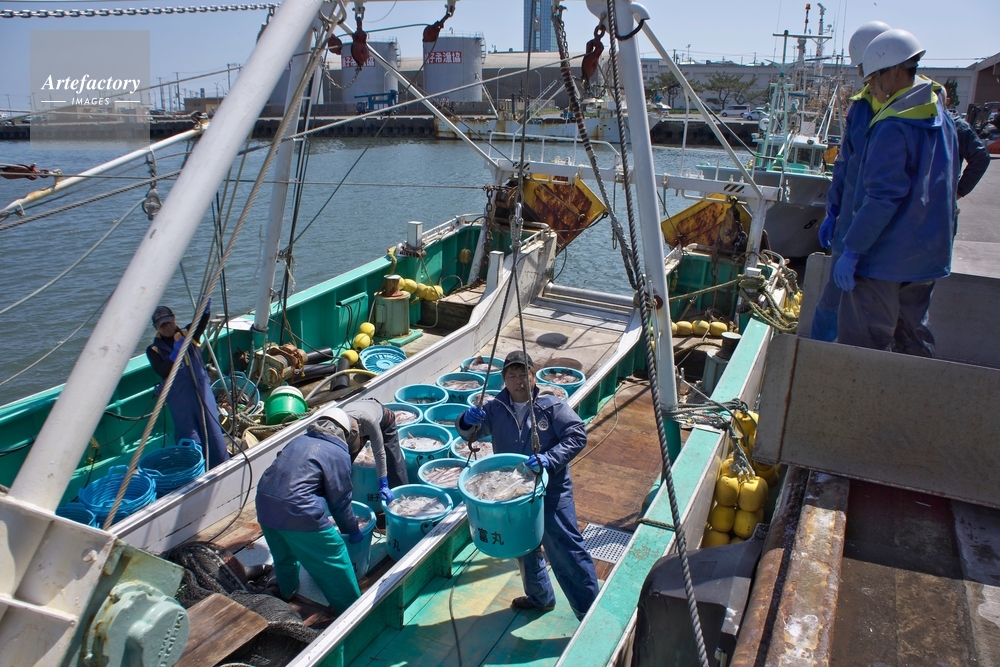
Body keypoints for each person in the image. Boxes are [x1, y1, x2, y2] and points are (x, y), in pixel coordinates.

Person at [834, 29, 960, 355]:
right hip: (928, 257)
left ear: (892, 73)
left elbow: (882, 197)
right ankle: (913, 387)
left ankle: (857, 390)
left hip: (884, 257)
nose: (871, 87)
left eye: (873, 79)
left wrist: (853, 249)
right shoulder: (941, 117)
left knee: (861, 343)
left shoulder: (892, 124)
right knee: (913, 340)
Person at [456, 350, 599, 620]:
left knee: (566, 548)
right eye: (512, 375)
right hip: (514, 492)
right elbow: (470, 433)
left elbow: (577, 435)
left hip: (551, 489)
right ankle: (540, 597)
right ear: (504, 379)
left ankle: (588, 611)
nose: (519, 381)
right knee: (523, 546)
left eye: (524, 374)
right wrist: (465, 420)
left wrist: (549, 459)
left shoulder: (551, 405)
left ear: (533, 376)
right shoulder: (496, 407)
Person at [811, 21, 892, 342]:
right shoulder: (860, 108)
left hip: (889, 229)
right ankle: (819, 354)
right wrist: (832, 210)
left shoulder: (912, 109)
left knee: (882, 315)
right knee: (832, 302)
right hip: (851, 221)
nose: (863, 76)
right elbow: (844, 165)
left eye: (865, 69)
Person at [256, 408, 365, 613]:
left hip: (264, 505)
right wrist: (352, 529)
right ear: (344, 432)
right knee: (335, 556)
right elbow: (340, 501)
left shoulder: (298, 441)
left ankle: (286, 591)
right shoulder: (338, 453)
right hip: (300, 511)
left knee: (284, 554)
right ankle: (353, 613)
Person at [146, 302, 230, 469]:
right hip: (179, 397)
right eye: (162, 325)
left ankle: (221, 465)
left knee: (213, 430)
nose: (167, 327)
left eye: (169, 322)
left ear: (174, 319)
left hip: (202, 390)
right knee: (188, 434)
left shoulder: (189, 334)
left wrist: (205, 308)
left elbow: (202, 321)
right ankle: (196, 470)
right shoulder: (153, 349)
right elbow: (162, 371)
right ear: (156, 328)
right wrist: (175, 354)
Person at [344, 398, 408, 504]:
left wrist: (383, 482)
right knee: (347, 458)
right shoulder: (339, 425)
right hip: (356, 416)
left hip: (383, 421)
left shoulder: (370, 423)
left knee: (393, 460)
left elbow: (379, 453)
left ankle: (402, 496)